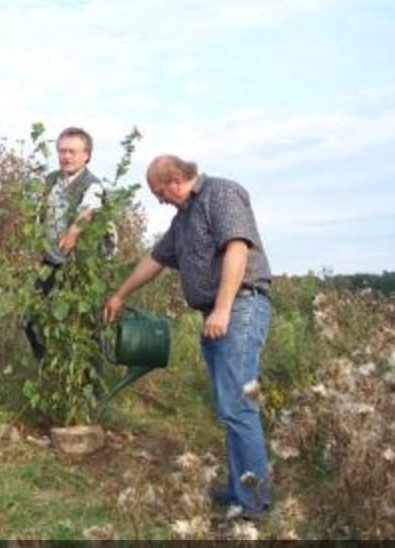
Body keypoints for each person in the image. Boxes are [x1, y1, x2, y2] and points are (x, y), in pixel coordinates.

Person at [103, 154, 273, 519]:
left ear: (177, 179)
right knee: (229, 408)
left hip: (239, 309)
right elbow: (155, 260)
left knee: (239, 407)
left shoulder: (221, 194)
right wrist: (120, 295)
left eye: (161, 192)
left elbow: (237, 248)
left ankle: (253, 506)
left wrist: (224, 308)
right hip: (218, 314)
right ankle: (239, 490)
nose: (160, 200)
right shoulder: (183, 220)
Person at [24, 126, 104, 360]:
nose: (65, 157)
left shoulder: (92, 184)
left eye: (72, 151)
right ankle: (46, 368)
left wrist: (73, 233)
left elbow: (88, 210)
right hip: (50, 262)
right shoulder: (51, 180)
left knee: (84, 327)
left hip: (79, 267)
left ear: (86, 155)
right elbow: (38, 214)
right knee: (32, 319)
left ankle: (90, 386)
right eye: (61, 151)